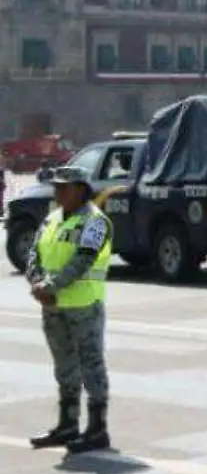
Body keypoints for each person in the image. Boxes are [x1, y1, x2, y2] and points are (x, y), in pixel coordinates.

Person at [25, 167, 114, 454]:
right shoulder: (52, 218)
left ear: (80, 189)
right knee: (64, 366)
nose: (58, 191)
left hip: (83, 306)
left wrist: (49, 287)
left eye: (64, 187)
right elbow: (33, 253)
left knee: (92, 366)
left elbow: (83, 260)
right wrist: (37, 281)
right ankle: (67, 424)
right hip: (53, 306)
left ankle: (98, 429)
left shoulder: (95, 222)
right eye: (57, 186)